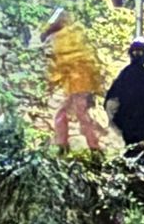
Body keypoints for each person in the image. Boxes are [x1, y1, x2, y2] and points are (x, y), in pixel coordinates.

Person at [43, 9, 104, 151]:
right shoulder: (73, 34)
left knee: (79, 115)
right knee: (68, 114)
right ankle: (71, 145)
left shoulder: (63, 38)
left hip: (77, 84)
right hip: (79, 84)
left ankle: (89, 147)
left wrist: (53, 80)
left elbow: (64, 63)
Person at [105, 38, 144, 147]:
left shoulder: (124, 77)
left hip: (133, 130)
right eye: (136, 51)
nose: (138, 54)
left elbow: (111, 103)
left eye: (140, 51)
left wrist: (120, 123)